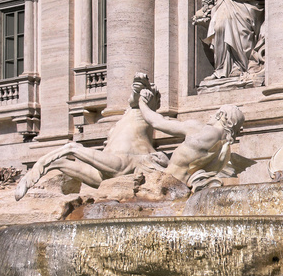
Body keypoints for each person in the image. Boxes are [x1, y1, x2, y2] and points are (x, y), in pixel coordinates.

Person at [14, 73, 174, 198]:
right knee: (60, 163)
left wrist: (143, 91)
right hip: (104, 172)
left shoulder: (147, 113)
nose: (140, 95)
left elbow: (139, 96)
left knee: (72, 148)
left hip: (122, 163)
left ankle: (31, 173)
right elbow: (134, 95)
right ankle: (30, 180)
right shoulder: (129, 113)